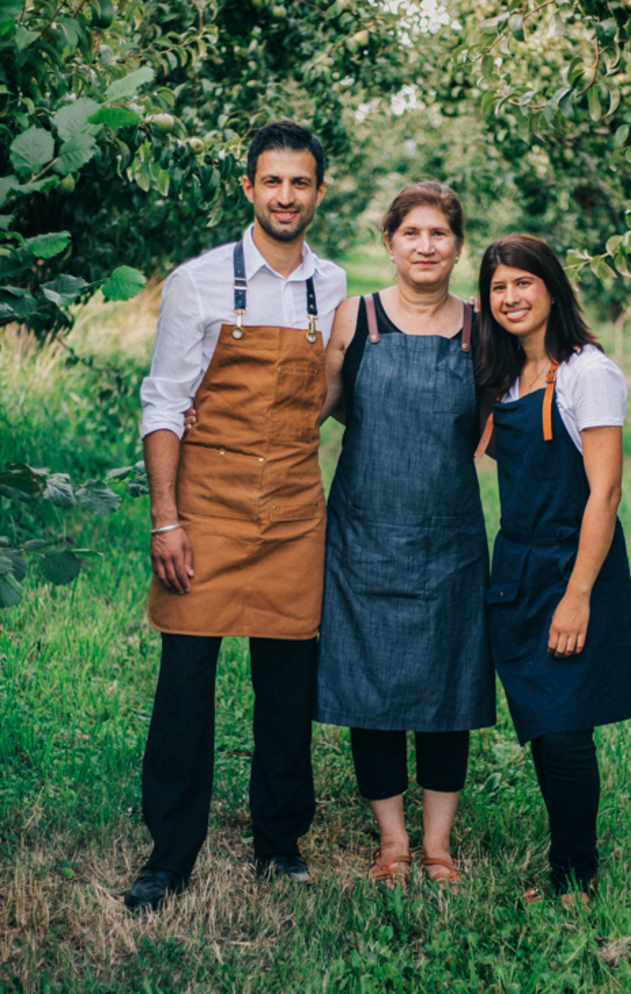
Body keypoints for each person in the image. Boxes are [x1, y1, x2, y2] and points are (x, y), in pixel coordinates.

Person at [124, 121, 347, 913]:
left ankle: (280, 842)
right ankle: (168, 855)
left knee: (287, 685)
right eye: (272, 182)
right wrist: (166, 518)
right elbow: (165, 403)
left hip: (292, 510)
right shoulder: (199, 281)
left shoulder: (336, 285)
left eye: (301, 182)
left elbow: (329, 397)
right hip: (206, 511)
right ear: (248, 188)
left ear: (320, 191)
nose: (287, 196)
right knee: (185, 682)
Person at [314, 182, 496, 888]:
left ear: (458, 246)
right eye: (411, 233)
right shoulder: (353, 320)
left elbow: (502, 418)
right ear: (388, 243)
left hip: (450, 542)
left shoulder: (481, 329)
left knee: (447, 694)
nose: (425, 246)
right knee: (373, 690)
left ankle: (438, 845)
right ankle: (392, 843)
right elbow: (316, 411)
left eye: (439, 234)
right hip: (362, 539)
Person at [475, 234, 631, 907]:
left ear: (551, 288)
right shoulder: (510, 376)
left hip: (572, 565)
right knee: (544, 721)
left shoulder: (586, 373)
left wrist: (578, 596)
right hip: (519, 563)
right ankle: (567, 860)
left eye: (523, 283)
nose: (510, 297)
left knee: (566, 725)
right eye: (497, 287)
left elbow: (605, 492)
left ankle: (576, 872)